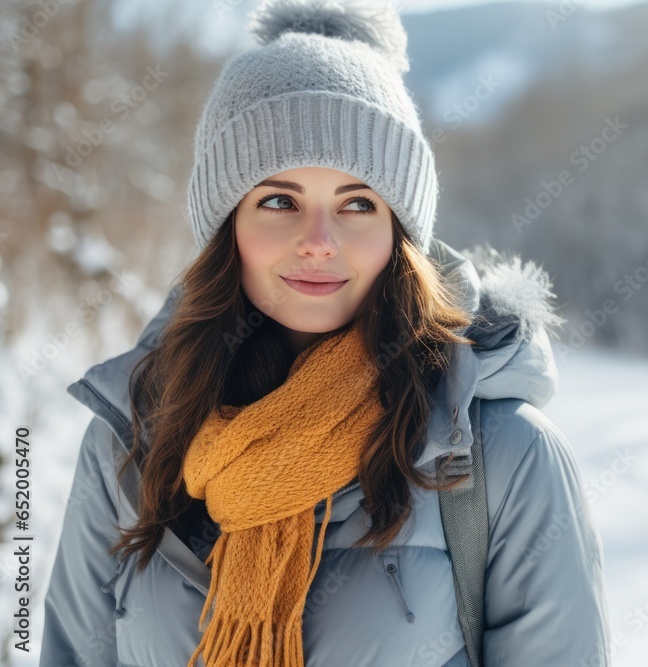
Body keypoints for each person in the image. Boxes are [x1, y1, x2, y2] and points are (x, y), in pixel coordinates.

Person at [39, 1, 611, 665]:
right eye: (279, 201)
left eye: (358, 203)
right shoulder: (128, 444)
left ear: (400, 233)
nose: (318, 242)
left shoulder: (505, 461)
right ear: (228, 228)